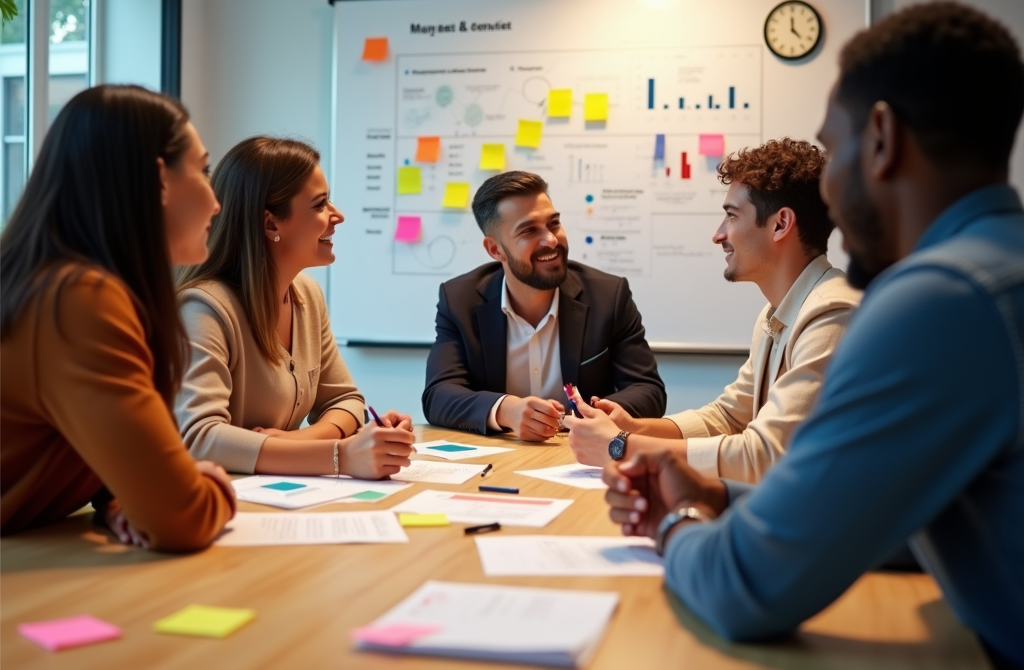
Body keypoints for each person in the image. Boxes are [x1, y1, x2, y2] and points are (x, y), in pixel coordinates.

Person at [601, 1, 1024, 669]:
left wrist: (674, 523)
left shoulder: (941, 301)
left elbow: (745, 589)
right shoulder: (998, 270)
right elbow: (917, 509)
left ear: (881, 138)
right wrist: (719, 495)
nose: (829, 187)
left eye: (834, 148)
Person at [0, 85, 236, 552]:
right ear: (159, 181)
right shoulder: (78, 299)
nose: (216, 201)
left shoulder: (58, 283)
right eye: (204, 170)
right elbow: (183, 518)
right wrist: (211, 485)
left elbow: (79, 445)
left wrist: (117, 498)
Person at [566, 139, 861, 482]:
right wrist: (633, 427)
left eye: (732, 216)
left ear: (780, 224)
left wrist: (622, 446)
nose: (718, 235)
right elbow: (729, 417)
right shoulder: (777, 313)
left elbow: (765, 454)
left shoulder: (832, 314)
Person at [175, 137, 414, 477]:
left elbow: (346, 402)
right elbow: (199, 438)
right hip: (221, 505)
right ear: (272, 224)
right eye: (320, 205)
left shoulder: (306, 295)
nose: (337, 215)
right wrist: (341, 456)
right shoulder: (203, 310)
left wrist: (298, 442)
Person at [423, 171, 666, 441]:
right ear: (495, 250)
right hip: (500, 459)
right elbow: (439, 394)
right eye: (529, 230)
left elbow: (648, 389)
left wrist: (597, 415)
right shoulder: (460, 299)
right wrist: (506, 409)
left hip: (584, 456)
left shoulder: (608, 295)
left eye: (554, 224)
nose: (551, 240)